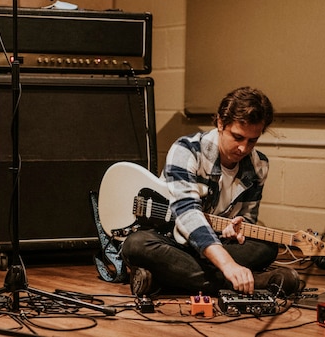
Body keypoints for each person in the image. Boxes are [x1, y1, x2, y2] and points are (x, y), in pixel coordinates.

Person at [121, 86, 301, 297]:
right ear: (220, 123)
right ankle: (257, 283)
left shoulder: (259, 165)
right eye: (237, 137)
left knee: (268, 246)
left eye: (252, 140)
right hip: (172, 239)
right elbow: (187, 213)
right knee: (136, 245)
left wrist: (237, 231)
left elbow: (248, 219)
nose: (244, 148)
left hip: (211, 246)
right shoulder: (186, 150)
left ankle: (165, 279)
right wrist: (228, 265)